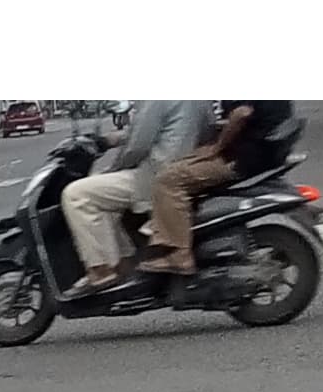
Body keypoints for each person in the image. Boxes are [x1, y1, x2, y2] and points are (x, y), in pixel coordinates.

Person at [63, 100, 213, 300]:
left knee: (77, 194)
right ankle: (125, 262)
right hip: (186, 169)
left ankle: (102, 269)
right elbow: (176, 128)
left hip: (154, 175)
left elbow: (138, 146)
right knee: (102, 190)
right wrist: (110, 139)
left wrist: (114, 168)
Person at [152, 101, 288, 274]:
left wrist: (217, 147)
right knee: (184, 163)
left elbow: (241, 113)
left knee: (167, 179)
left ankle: (179, 254)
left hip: (242, 158)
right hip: (266, 152)